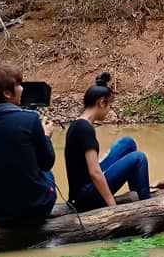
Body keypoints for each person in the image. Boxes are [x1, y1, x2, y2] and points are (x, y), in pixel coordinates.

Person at [0, 64, 57, 227]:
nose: (22, 89)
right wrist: (45, 137)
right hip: (35, 210)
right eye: (19, 85)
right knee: (47, 173)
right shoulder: (30, 120)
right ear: (7, 93)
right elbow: (47, 163)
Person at [64, 73, 151, 211]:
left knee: (128, 143)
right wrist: (112, 206)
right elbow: (95, 173)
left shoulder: (78, 124)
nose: (109, 110)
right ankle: (148, 207)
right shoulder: (85, 129)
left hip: (84, 187)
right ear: (101, 103)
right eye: (109, 106)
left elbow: (85, 165)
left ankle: (136, 193)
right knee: (139, 158)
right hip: (84, 198)